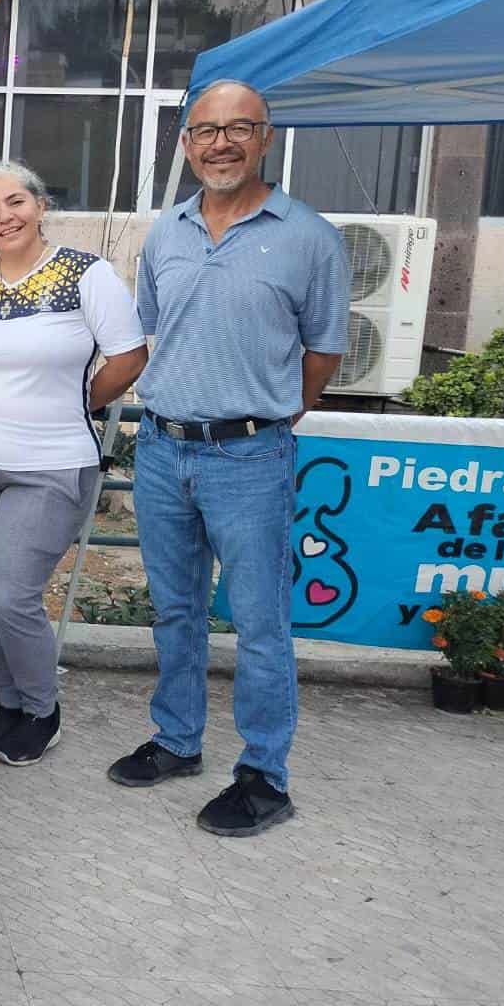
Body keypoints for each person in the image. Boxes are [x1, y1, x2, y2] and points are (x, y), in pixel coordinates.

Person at [110, 79, 350, 837]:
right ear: (186, 144)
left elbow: (323, 353)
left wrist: (264, 414)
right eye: (206, 130)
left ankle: (263, 774)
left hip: (250, 456)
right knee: (176, 609)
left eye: (238, 128)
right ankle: (179, 740)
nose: (221, 143)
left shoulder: (310, 237)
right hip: (159, 448)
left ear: (266, 138)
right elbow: (149, 336)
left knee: (258, 621)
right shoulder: (166, 233)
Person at [0, 160, 147, 766]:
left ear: (40, 205)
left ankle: (42, 709)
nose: (5, 217)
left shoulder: (87, 274)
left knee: (12, 595)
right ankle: (7, 706)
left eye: (15, 203)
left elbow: (129, 356)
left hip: (51, 464)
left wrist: (79, 403)